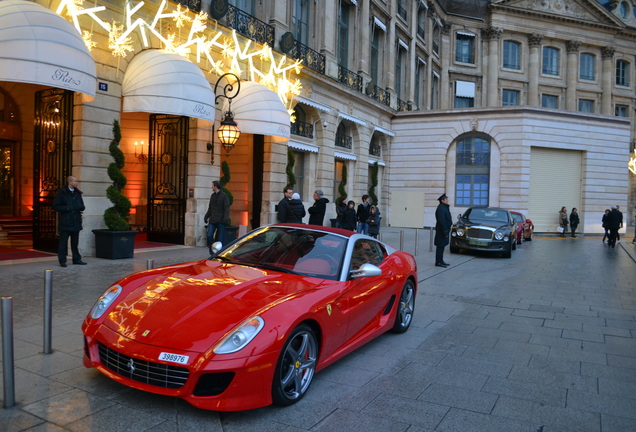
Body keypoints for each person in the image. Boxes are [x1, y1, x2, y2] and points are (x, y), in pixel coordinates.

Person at [52, 176, 86, 267]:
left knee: (75, 242)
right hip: (66, 221)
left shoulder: (77, 193)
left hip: (76, 221)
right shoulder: (62, 193)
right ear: (70, 182)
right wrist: (66, 208)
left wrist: (81, 207)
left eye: (77, 181)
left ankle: (76, 259)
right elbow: (55, 205)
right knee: (63, 243)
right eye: (75, 181)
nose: (77, 182)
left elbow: (82, 204)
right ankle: (62, 260)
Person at [204, 180, 230, 253]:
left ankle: (218, 252)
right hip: (212, 219)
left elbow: (226, 208)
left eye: (212, 185)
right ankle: (212, 250)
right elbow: (210, 207)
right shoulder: (213, 196)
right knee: (209, 235)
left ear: (216, 186)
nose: (211, 187)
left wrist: (225, 218)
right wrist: (206, 216)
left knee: (219, 239)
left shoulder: (224, 196)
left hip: (221, 220)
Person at [434, 193, 452, 267]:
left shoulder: (444, 207)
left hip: (444, 230)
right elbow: (441, 221)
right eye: (446, 199)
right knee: (440, 247)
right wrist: (445, 232)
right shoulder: (441, 208)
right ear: (442, 200)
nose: (447, 200)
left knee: (442, 246)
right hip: (441, 231)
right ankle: (438, 262)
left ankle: (441, 260)